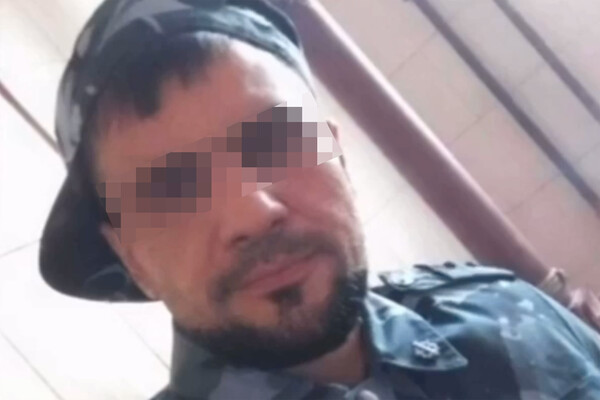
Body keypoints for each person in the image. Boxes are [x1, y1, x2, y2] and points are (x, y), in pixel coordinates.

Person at [40, 0, 600, 399]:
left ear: (337, 151)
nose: (252, 211)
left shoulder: (506, 308)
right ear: (133, 259)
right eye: (174, 191)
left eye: (277, 140)